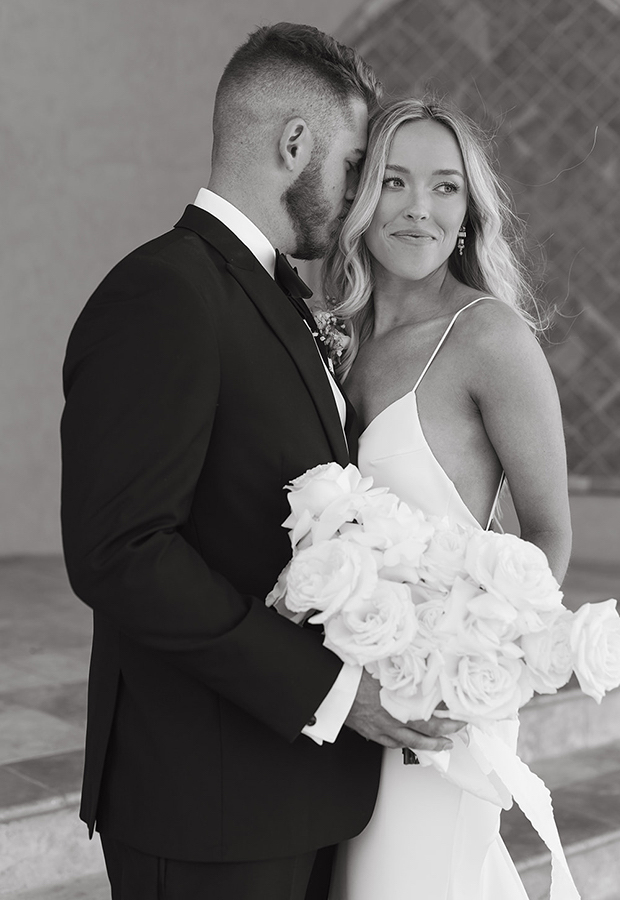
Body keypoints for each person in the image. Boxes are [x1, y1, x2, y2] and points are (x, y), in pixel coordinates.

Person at [60, 26, 461, 900]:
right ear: (293, 145)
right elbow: (121, 551)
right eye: (356, 164)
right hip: (203, 809)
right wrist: (332, 691)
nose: (362, 197)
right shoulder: (164, 292)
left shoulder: (276, 294)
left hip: (291, 797)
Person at [322, 98, 573, 899]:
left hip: (434, 717)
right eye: (393, 182)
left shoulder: (489, 338)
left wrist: (472, 669)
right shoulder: (333, 338)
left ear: (469, 211)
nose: (418, 209)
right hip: (336, 705)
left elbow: (548, 534)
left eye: (444, 188)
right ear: (361, 197)